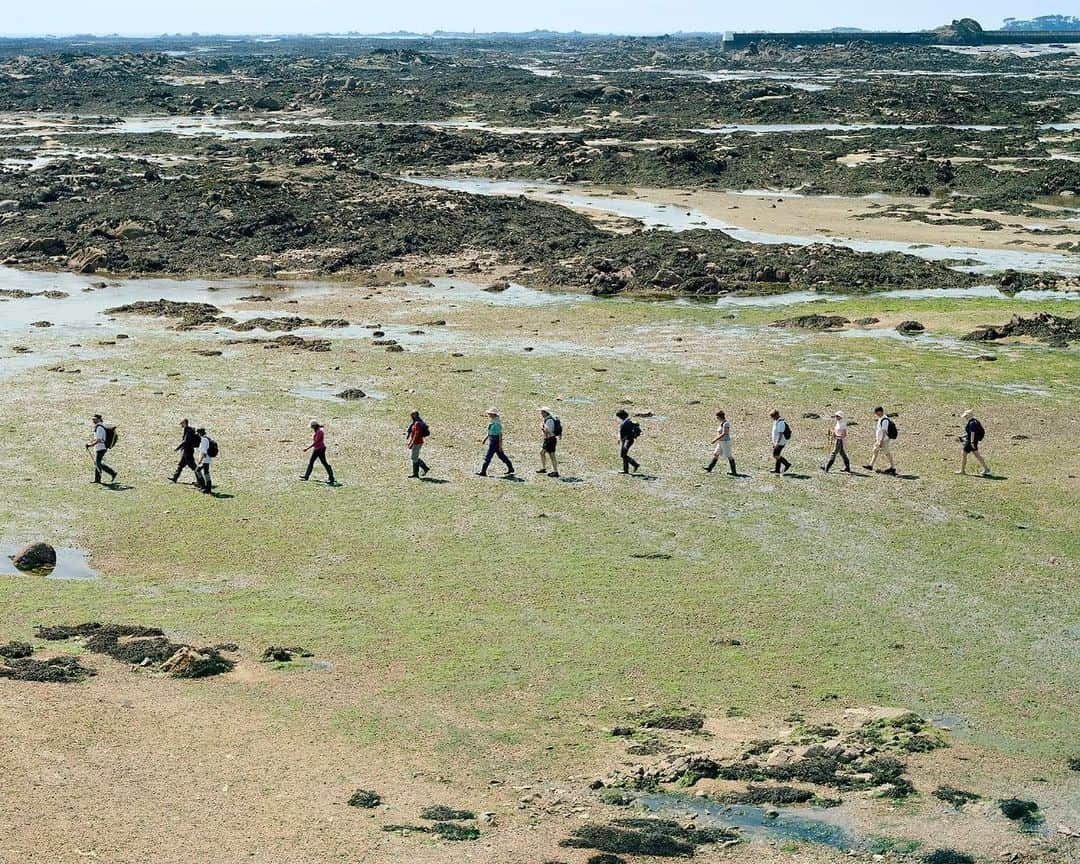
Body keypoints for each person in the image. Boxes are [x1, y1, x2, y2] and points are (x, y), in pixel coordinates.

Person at [477, 409, 514, 477]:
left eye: (490, 413)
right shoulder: (493, 421)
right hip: (493, 440)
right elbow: (490, 431)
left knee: (488, 456)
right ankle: (510, 468)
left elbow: (500, 435)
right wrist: (485, 438)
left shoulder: (497, 423)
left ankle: (483, 471)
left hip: (494, 442)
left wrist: (500, 446)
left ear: (494, 414)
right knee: (501, 456)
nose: (488, 415)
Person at [85, 414, 117, 485]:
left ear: (99, 419)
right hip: (100, 447)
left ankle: (112, 473)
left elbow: (99, 439)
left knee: (98, 463)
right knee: (97, 463)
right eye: (93, 419)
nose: (93, 420)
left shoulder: (99, 428)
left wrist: (90, 445)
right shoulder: (100, 427)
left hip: (101, 448)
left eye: (95, 419)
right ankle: (97, 479)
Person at [865, 406, 897, 476]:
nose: (877, 414)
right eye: (876, 413)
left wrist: (880, 441)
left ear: (881, 411)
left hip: (884, 440)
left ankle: (893, 468)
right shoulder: (881, 418)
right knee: (875, 451)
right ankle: (870, 465)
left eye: (878, 413)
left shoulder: (885, 420)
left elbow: (884, 431)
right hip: (880, 439)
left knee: (887, 453)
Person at [957, 409, 990, 476]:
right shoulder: (975, 422)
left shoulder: (972, 423)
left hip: (971, 442)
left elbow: (972, 433)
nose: (965, 418)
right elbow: (970, 433)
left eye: (966, 416)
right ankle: (986, 469)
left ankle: (962, 471)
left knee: (964, 454)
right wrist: (962, 436)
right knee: (977, 455)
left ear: (968, 416)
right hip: (974, 441)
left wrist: (971, 442)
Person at [170, 418, 202, 486]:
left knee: (194, 468)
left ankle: (200, 481)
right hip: (186, 452)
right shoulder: (187, 430)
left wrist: (177, 448)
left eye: (182, 423)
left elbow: (185, 441)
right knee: (180, 465)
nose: (181, 425)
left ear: (185, 423)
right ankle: (175, 478)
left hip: (188, 452)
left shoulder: (188, 431)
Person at [705, 410, 736, 475]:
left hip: (725, 442)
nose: (717, 419)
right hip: (721, 442)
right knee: (716, 454)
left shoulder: (726, 424)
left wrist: (715, 439)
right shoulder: (722, 423)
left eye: (717, 417)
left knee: (729, 456)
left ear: (720, 417)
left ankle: (734, 472)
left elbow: (724, 433)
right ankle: (709, 468)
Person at [537, 407, 560, 478]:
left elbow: (547, 430)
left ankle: (555, 471)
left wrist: (542, 427)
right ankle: (545, 468)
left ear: (545, 413)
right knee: (543, 453)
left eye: (542, 412)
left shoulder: (549, 420)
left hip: (550, 440)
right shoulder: (549, 419)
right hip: (550, 439)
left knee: (551, 455)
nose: (541, 414)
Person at [615, 409, 641, 474]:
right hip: (625, 440)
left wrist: (625, 442)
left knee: (623, 455)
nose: (619, 418)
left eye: (619, 416)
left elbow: (628, 432)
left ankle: (635, 464)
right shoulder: (627, 421)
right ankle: (625, 470)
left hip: (628, 440)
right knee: (624, 455)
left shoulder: (628, 422)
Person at [406, 411, 430, 478]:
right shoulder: (415, 423)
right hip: (416, 442)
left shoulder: (417, 424)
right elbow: (413, 434)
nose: (411, 416)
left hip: (417, 442)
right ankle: (416, 473)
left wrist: (411, 443)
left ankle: (423, 469)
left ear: (415, 415)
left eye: (412, 415)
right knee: (414, 458)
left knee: (414, 458)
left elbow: (416, 434)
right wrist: (410, 442)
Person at [769, 409, 791, 474]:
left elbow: (780, 434)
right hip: (776, 442)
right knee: (777, 455)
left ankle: (787, 464)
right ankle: (777, 470)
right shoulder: (776, 421)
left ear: (776, 415)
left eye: (773, 416)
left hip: (780, 442)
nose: (772, 418)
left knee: (775, 455)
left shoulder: (781, 423)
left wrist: (777, 443)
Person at [196, 427, 214, 494]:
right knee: (205, 472)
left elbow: (204, 452)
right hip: (207, 459)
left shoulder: (203, 440)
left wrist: (200, 460)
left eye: (197, 433)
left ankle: (206, 488)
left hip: (205, 459)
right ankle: (205, 487)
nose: (197, 434)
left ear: (200, 433)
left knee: (199, 471)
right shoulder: (206, 439)